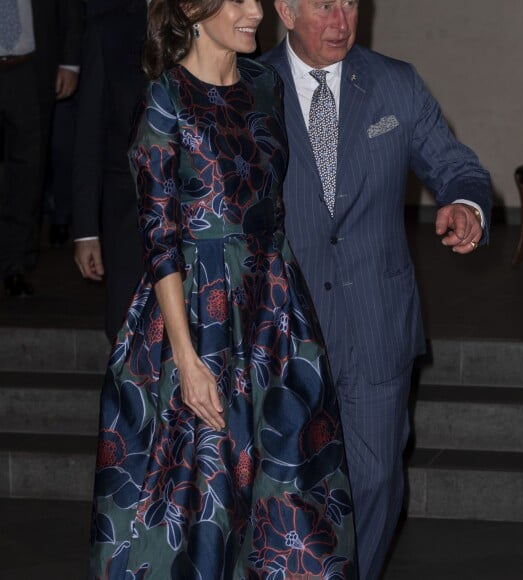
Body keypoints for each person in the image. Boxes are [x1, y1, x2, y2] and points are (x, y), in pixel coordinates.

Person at [89, 0, 357, 578]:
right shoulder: (165, 97)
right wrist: (186, 363)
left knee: (294, 499)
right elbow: (160, 240)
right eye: (238, 0)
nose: (256, 12)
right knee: (203, 505)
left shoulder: (265, 84)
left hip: (274, 313)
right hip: (196, 318)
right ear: (193, 8)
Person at [261, 1, 493, 578]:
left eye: (350, 2)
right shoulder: (248, 89)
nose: (341, 18)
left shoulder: (395, 84)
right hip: (284, 330)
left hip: (375, 320)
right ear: (285, 10)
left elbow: (458, 166)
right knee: (286, 493)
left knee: (376, 482)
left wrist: (465, 205)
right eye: (323, 4)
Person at [73, 0, 147, 343]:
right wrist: (86, 230)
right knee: (126, 340)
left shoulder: (220, 21)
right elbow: (89, 135)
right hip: (127, 222)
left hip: (200, 225)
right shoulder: (108, 29)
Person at [0, 0, 83, 296]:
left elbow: (69, 7)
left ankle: (14, 266)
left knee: (28, 173)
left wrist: (70, 61)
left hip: (30, 67)